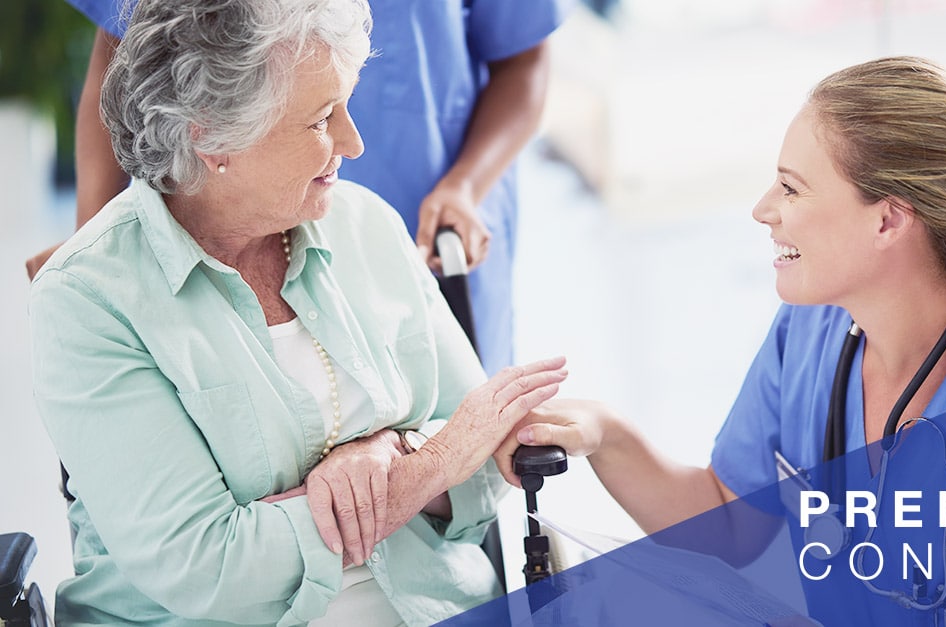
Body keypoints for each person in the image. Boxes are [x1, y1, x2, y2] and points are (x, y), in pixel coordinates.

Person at [495, 57, 946, 625]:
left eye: (791, 188)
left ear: (888, 220)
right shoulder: (811, 333)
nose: (763, 210)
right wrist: (605, 434)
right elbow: (727, 525)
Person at [28, 1, 568, 624]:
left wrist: (389, 450)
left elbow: (491, 464)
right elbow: (210, 566)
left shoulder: (367, 225)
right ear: (212, 135)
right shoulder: (89, 297)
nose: (354, 143)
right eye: (320, 119)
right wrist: (429, 465)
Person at [27, 0, 570, 377]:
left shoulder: (372, 224)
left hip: (424, 226)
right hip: (221, 227)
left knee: (452, 431)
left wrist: (465, 187)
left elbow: (525, 60)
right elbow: (125, 64)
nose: (351, 144)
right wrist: (94, 252)